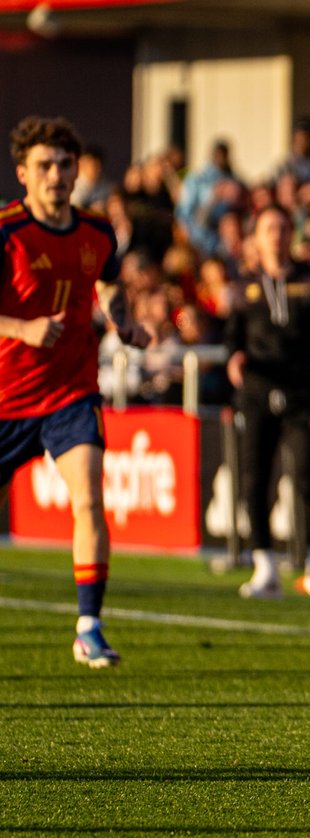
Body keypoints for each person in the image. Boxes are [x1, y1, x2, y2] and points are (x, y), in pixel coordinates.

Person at [0, 116, 151, 667]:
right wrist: (22, 329)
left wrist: (121, 320)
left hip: (71, 391)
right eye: (44, 165)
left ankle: (89, 626)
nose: (57, 175)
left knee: (88, 498)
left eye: (65, 164)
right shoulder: (7, 231)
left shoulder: (97, 230)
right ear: (23, 173)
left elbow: (107, 283)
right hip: (6, 396)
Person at [226, 205, 310, 603]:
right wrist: (233, 361)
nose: (276, 236)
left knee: (308, 479)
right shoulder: (244, 286)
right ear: (256, 238)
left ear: (290, 234)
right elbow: (233, 339)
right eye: (268, 229)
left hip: (303, 395)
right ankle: (264, 567)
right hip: (257, 394)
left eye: (282, 228)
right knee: (254, 479)